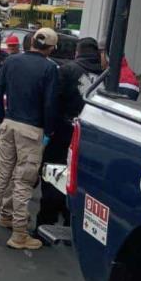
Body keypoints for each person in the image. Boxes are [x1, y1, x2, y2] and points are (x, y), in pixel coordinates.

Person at [0, 27, 59, 250]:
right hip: (32, 130)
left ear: (32, 41)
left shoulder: (11, 61)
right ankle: (19, 233)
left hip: (9, 124)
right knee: (23, 182)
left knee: (1, 175)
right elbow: (50, 104)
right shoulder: (49, 69)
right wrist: (49, 131)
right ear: (51, 48)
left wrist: (3, 117)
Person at [37, 37, 102, 228]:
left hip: (64, 132)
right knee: (79, 180)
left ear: (77, 52)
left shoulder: (67, 70)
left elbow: (53, 102)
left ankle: (46, 223)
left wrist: (49, 129)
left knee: (53, 176)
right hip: (91, 136)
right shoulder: (107, 75)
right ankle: (69, 221)